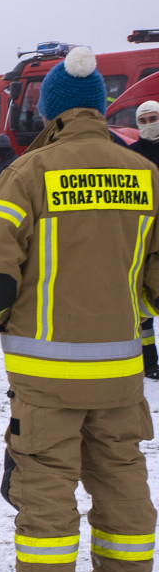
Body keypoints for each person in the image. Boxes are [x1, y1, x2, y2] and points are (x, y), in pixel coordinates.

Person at [0, 47, 159, 572]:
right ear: (100, 109)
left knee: (46, 487)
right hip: (121, 370)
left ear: (51, 114)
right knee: (122, 477)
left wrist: (0, 322)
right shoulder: (148, 176)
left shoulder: (28, 172)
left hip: (45, 374)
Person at [131, 101, 159, 381]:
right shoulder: (131, 156)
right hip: (143, 239)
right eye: (144, 119)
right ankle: (149, 362)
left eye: (154, 118)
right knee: (142, 308)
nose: (149, 123)